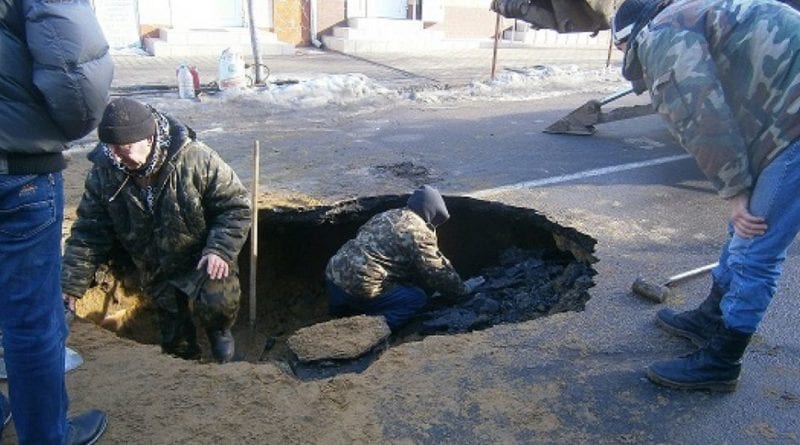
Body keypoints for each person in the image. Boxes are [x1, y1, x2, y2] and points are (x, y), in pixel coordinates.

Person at [612, 0, 800, 391]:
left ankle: (721, 362)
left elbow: (705, 120)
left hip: (794, 129)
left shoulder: (661, 36)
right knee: (742, 233)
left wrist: (735, 193)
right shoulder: (690, 15)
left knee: (755, 246)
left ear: (629, 39)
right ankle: (711, 318)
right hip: (785, 118)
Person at [61, 98, 252, 364]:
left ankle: (221, 338)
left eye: (124, 147)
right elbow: (89, 232)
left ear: (149, 139)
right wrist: (70, 285)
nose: (116, 156)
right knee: (175, 339)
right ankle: (184, 366)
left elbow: (236, 207)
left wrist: (219, 248)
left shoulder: (196, 159)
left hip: (201, 257)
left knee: (218, 303)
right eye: (111, 148)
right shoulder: (105, 173)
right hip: (154, 267)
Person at [0, 0, 114, 443]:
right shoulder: (110, 178)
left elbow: (231, 210)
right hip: (15, 167)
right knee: (32, 323)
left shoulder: (194, 166)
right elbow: (75, 65)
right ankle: (48, 437)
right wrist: (64, 129)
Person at [325, 185, 483, 331]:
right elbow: (437, 271)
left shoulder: (386, 215)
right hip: (363, 288)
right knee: (416, 298)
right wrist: (462, 291)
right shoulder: (419, 231)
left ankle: (337, 314)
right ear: (432, 213)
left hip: (334, 275)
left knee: (348, 291)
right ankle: (372, 330)